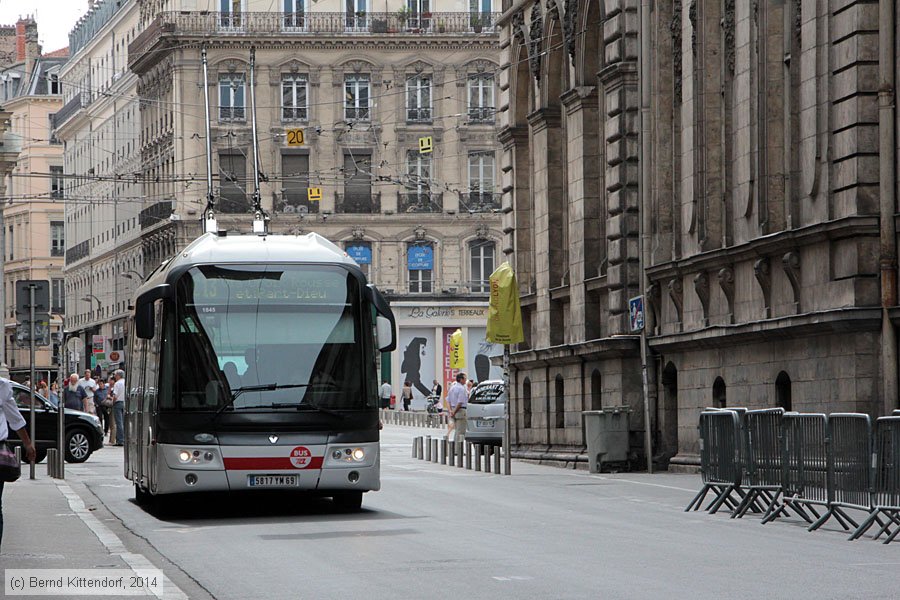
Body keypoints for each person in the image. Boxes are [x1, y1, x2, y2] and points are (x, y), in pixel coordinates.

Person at [0, 375, 36, 550]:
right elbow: (15, 419)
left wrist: (28, 443)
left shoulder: (2, 386)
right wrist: (28, 444)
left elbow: (15, 419)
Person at [446, 372, 468, 442]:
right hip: (460, 410)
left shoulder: (452, 388)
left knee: (457, 431)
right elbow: (460, 402)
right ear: (461, 379)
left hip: (453, 409)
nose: (465, 380)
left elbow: (448, 400)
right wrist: (454, 411)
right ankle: (458, 450)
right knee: (461, 431)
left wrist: (450, 411)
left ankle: (456, 449)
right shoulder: (461, 389)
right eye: (465, 378)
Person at [111, 370, 126, 446]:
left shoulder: (117, 384)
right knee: (124, 422)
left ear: (119, 376)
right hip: (125, 402)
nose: (115, 377)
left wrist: (112, 402)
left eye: (116, 375)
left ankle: (120, 440)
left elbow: (115, 396)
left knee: (119, 422)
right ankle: (124, 438)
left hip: (118, 403)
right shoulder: (126, 382)